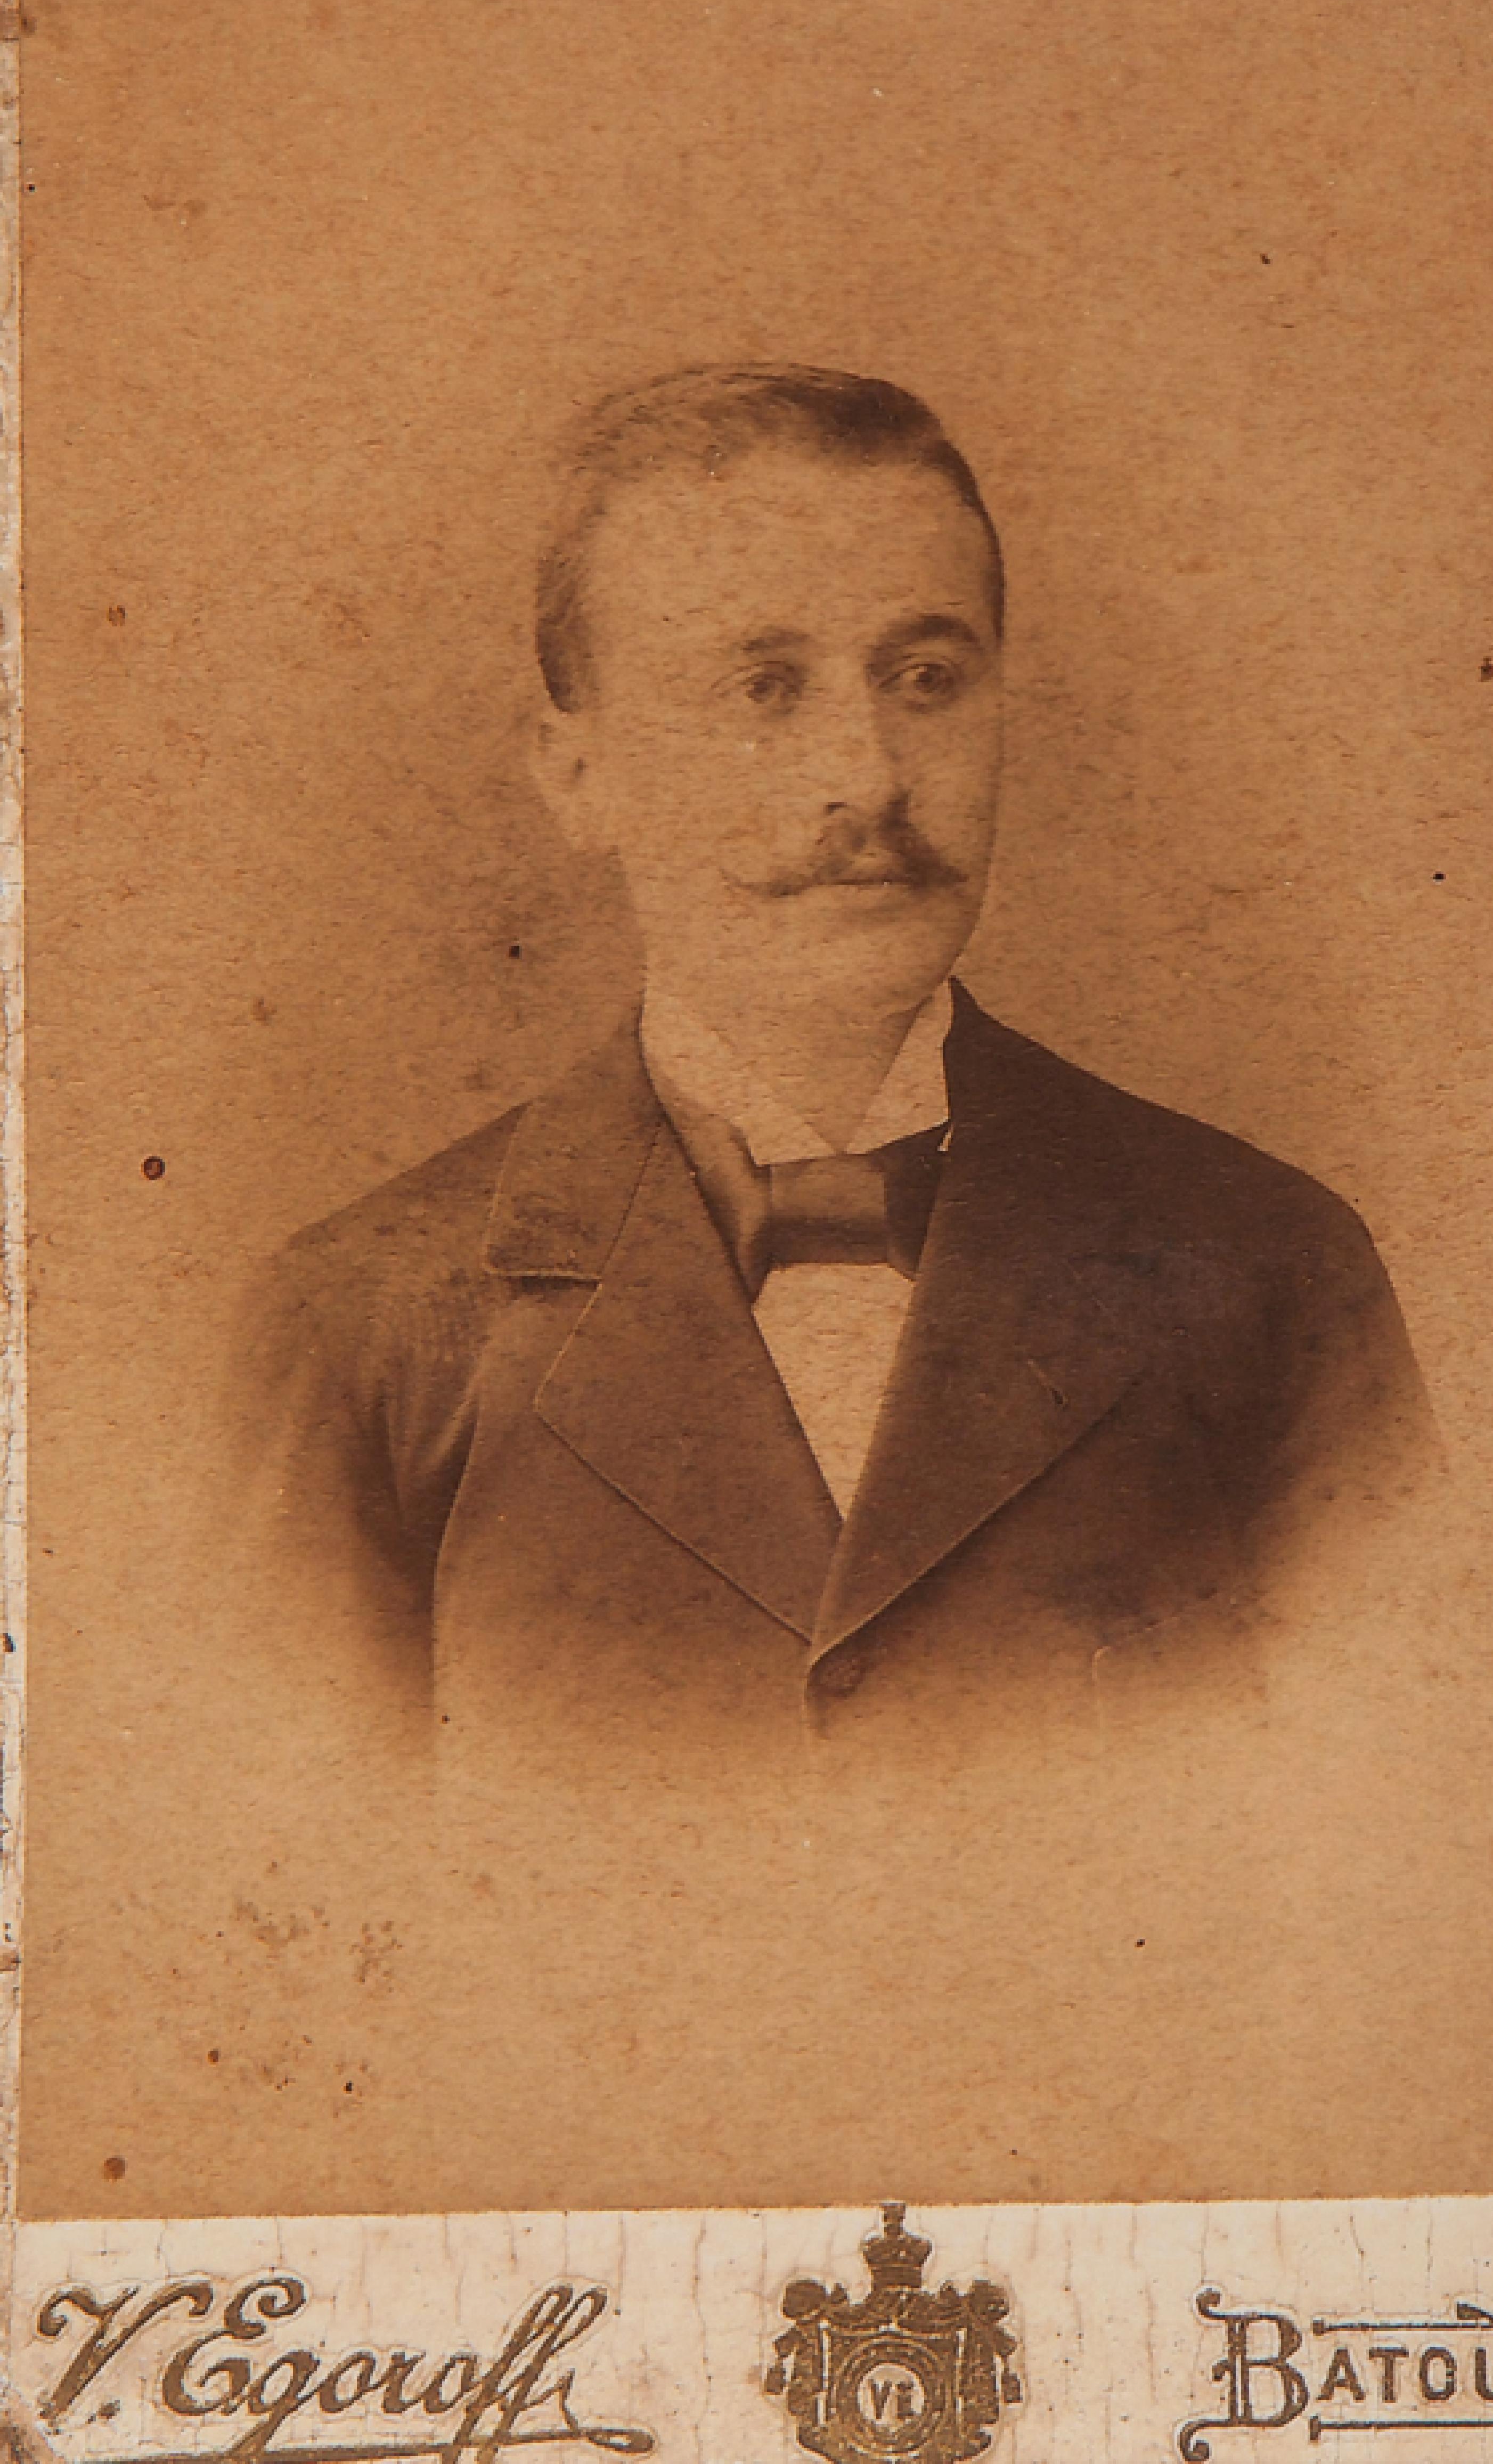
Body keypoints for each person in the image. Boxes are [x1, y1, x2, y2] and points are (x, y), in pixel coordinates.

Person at [244, 363, 1433, 1762]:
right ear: (578, 776)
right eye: (763, 687)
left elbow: (1386, 1836)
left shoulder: (1272, 1272)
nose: (867, 778)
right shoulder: (361, 1334)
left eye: (926, 680)